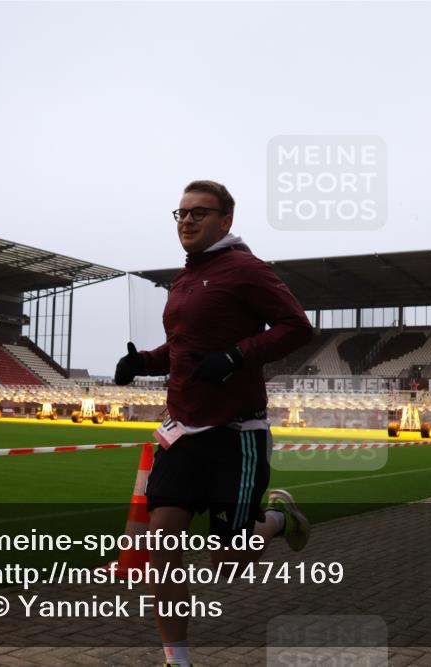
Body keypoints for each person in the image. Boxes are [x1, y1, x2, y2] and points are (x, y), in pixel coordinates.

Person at [114, 180, 314, 667]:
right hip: (182, 433)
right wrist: (143, 362)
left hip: (236, 435)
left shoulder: (245, 269)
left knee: (228, 562)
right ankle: (176, 659)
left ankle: (279, 520)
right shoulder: (184, 279)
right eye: (180, 213)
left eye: (199, 213)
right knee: (162, 545)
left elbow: (297, 326)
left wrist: (236, 355)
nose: (186, 220)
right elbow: (184, 350)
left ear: (225, 219)